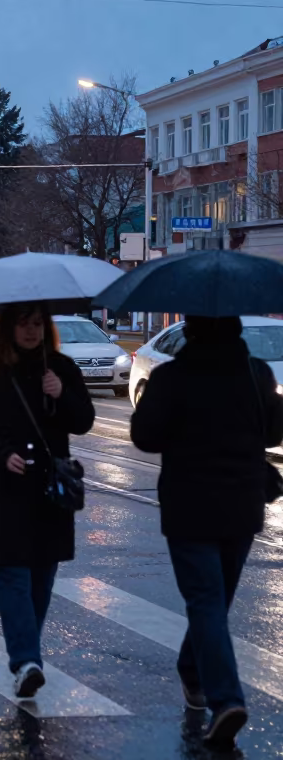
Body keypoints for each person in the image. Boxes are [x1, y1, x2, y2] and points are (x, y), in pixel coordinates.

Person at [131, 315, 282, 748]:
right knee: (214, 603)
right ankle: (194, 670)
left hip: (189, 505)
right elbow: (275, 432)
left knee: (206, 603)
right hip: (242, 505)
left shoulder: (171, 376)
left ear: (190, 331)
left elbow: (144, 437)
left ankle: (226, 699)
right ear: (236, 330)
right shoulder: (258, 373)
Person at [0, 304, 93, 700]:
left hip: (50, 490)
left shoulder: (61, 367)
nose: (31, 331)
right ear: (8, 327)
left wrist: (62, 393)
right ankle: (27, 660)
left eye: (38, 324)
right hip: (5, 489)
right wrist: (1, 452)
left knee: (42, 577)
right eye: (24, 324)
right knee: (12, 574)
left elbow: (83, 419)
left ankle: (27, 651)